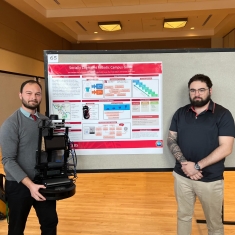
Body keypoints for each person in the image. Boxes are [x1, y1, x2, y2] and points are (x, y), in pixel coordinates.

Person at [167, 74, 235, 235]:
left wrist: (196, 166)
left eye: (201, 90)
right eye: (193, 90)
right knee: (183, 217)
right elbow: (171, 140)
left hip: (210, 180)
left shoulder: (223, 115)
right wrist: (185, 164)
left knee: (214, 224)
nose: (197, 94)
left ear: (210, 91)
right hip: (182, 176)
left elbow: (226, 148)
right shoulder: (180, 113)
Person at [0, 80, 58, 235]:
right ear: (21, 96)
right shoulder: (11, 124)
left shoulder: (45, 121)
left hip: (42, 182)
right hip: (19, 185)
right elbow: (8, 160)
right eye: (29, 93)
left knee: (50, 222)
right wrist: (30, 185)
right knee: (16, 228)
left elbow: (51, 151)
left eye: (37, 94)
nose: (34, 97)